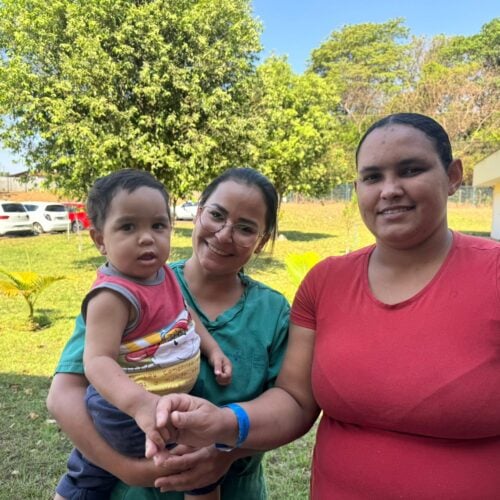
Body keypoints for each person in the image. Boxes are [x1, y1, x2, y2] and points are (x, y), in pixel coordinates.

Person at [150, 113, 500, 498]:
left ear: (453, 176)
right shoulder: (326, 282)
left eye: (410, 169)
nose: (390, 189)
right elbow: (295, 401)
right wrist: (224, 422)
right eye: (372, 177)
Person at [47, 167, 290, 500]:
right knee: (81, 480)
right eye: (216, 215)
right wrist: (127, 469)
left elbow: (292, 406)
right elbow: (64, 393)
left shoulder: (273, 312)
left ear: (261, 242)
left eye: (246, 228)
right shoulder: (129, 287)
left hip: (237, 488)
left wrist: (225, 450)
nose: (223, 234)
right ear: (198, 213)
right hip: (129, 483)